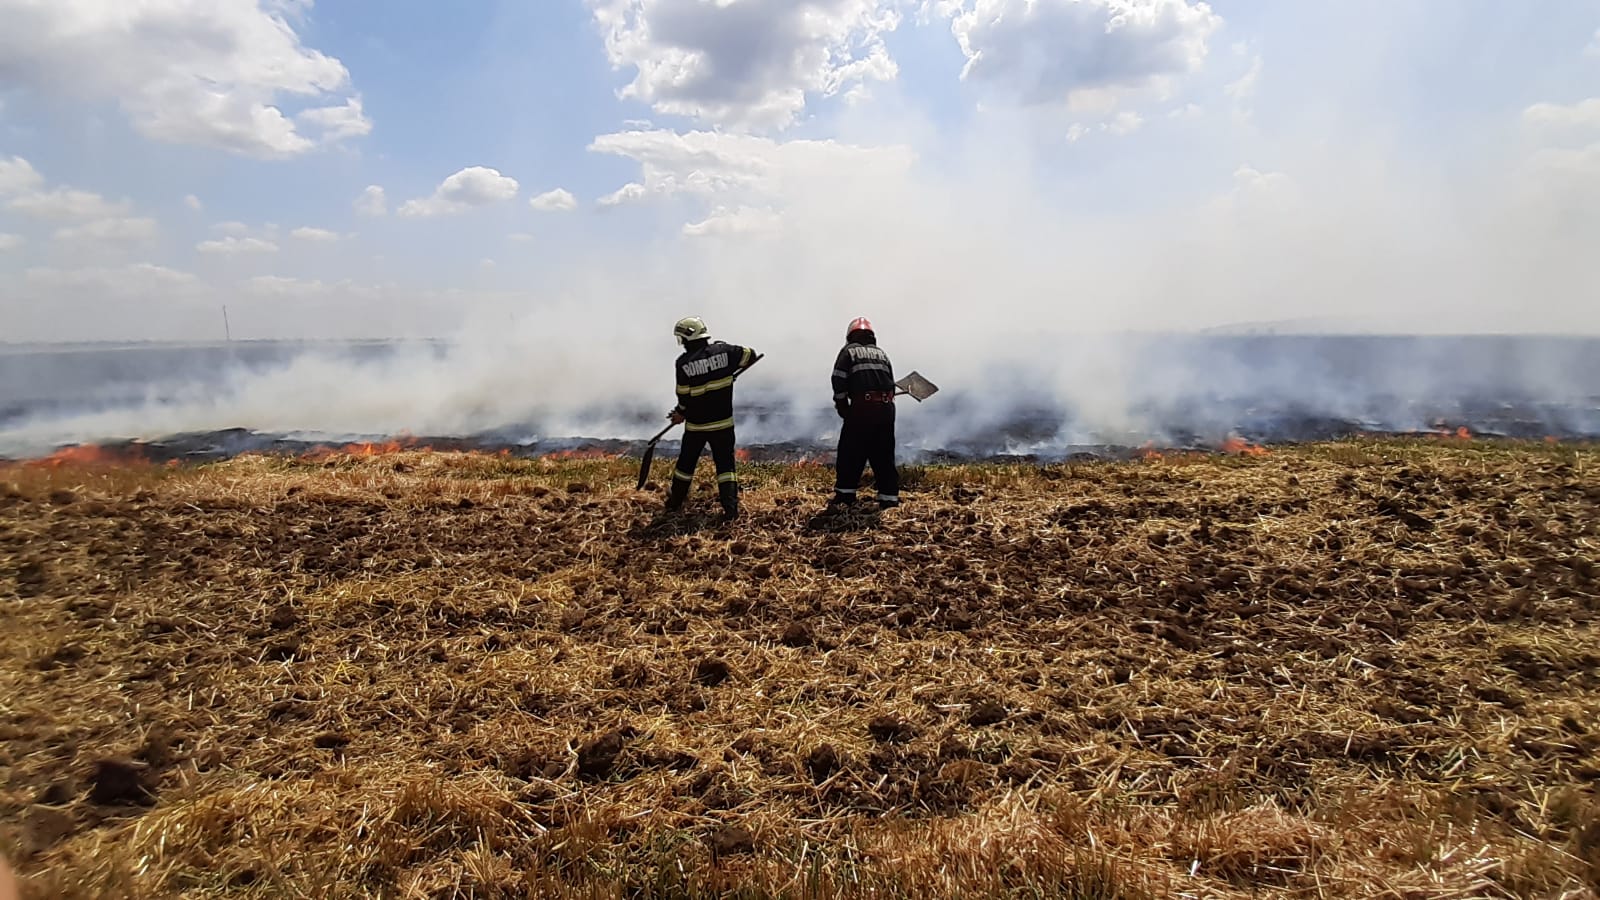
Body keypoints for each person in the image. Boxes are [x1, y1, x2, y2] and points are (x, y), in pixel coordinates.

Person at [666, 316, 758, 520]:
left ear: (689, 338)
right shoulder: (725, 351)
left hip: (696, 426)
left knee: (685, 465)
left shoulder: (683, 363)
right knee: (726, 467)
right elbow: (750, 355)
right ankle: (730, 509)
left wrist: (680, 412)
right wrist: (728, 366)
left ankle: (675, 503)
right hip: (723, 424)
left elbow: (683, 396)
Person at [830, 316, 900, 508]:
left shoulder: (848, 352)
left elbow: (838, 378)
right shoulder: (882, 354)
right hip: (886, 409)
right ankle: (889, 497)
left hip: (862, 409)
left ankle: (845, 495)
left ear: (850, 335)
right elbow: (891, 385)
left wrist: (842, 405)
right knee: (884, 454)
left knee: (851, 452)